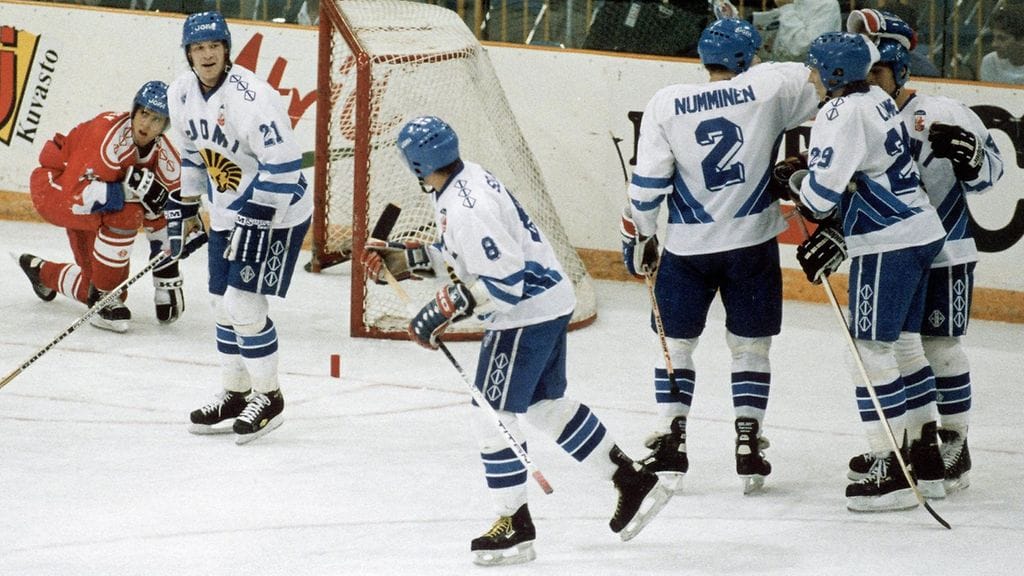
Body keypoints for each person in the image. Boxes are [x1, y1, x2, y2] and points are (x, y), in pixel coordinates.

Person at [363, 116, 671, 566]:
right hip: (548, 302)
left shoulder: (467, 207)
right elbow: (467, 259)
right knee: (545, 405)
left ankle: (513, 523)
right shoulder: (466, 179)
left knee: (491, 416)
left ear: (415, 164)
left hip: (522, 316)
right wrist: (407, 260)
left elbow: (505, 285)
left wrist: (442, 310)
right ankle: (632, 480)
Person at [620, 18, 820, 495]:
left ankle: (673, 441)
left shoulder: (666, 103)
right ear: (748, 56)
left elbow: (646, 189)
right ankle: (748, 443)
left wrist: (642, 237)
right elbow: (827, 76)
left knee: (678, 347)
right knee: (750, 347)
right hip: (751, 244)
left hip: (688, 250)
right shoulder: (769, 84)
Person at [847, 9, 1004, 495]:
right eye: (863, 71)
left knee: (938, 347)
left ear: (900, 69)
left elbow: (991, 176)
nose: (870, 82)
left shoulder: (945, 112)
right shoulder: (851, 114)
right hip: (889, 253)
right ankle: (918, 442)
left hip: (946, 250)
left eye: (878, 71)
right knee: (895, 349)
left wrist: (973, 158)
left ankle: (954, 441)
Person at [792, 31, 947, 511]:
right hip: (922, 228)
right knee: (903, 344)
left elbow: (819, 200)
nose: (811, 75)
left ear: (835, 74)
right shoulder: (878, 97)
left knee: (868, 351)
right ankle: (925, 456)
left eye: (816, 68)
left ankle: (891, 466)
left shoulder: (838, 113)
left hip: (888, 241)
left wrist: (796, 181)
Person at [167, 11, 312, 444]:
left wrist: (259, 215)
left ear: (227, 49)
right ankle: (235, 391)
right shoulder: (181, 94)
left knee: (243, 304)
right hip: (229, 211)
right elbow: (193, 155)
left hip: (279, 207)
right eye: (198, 48)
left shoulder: (253, 97)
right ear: (188, 54)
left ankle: (269, 397)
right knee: (219, 304)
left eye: (214, 46)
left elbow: (285, 166)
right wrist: (188, 206)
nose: (207, 54)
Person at [18, 80, 182, 333]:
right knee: (128, 211)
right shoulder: (107, 137)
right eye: (144, 114)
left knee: (95, 286)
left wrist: (167, 279)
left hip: (92, 207)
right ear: (135, 111)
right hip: (55, 187)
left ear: (165, 126)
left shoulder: (166, 157)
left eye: (157, 119)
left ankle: (42, 273)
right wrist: (129, 190)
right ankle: (106, 298)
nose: (146, 125)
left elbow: (166, 216)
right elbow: (79, 196)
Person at [751, 0, 841, 63]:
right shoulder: (791, 3)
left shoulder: (827, 4)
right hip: (778, 73)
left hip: (807, 78)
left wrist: (786, 8)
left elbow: (802, 49)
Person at [979, 6, 1024, 85]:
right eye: (994, 37)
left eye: (1002, 39)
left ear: (1022, 40)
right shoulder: (990, 62)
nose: (994, 44)